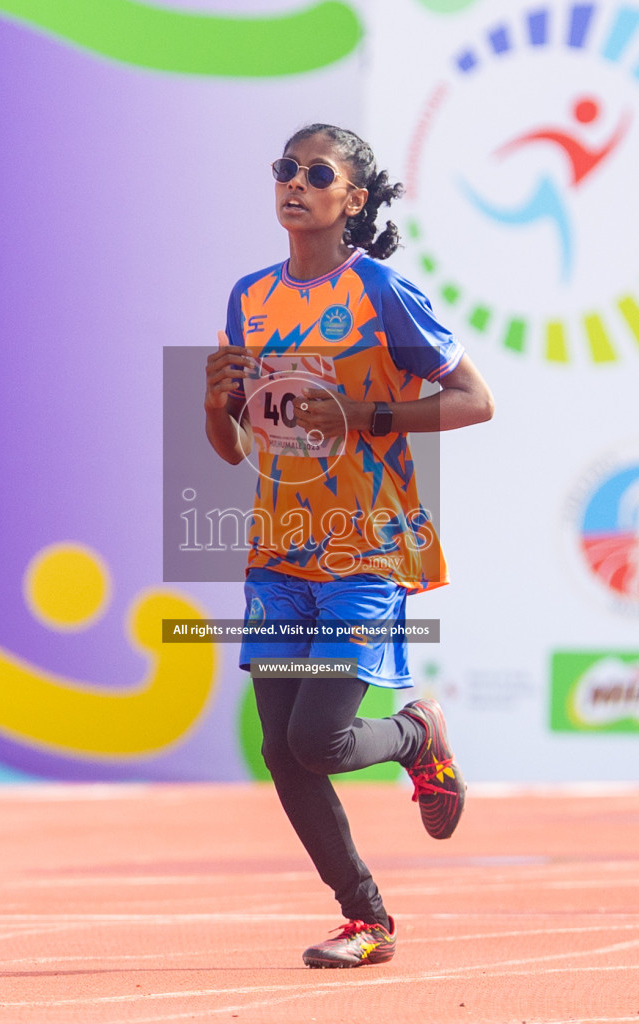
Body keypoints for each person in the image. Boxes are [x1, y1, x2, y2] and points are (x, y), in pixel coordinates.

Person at [202, 124, 495, 968]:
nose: (294, 183)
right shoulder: (247, 297)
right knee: (279, 751)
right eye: (283, 169)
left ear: (352, 199)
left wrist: (363, 416)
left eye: (314, 172)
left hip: (365, 548)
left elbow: (474, 400)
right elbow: (230, 449)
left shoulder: (381, 294)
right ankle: (366, 920)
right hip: (277, 544)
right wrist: (212, 403)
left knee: (318, 741)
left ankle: (416, 734)